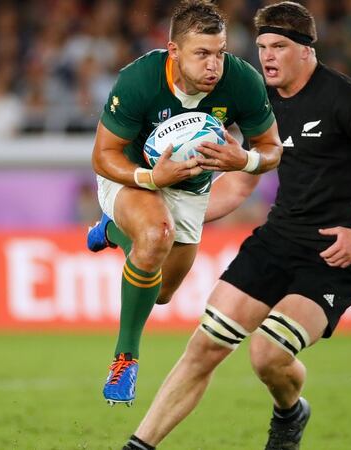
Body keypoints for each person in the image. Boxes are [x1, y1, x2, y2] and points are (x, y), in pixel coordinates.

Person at [120, 2, 351, 449]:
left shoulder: (346, 100)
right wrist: (173, 217)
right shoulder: (261, 101)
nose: (267, 57)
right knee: (205, 346)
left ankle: (290, 411)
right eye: (261, 46)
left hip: (330, 256)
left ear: (306, 51)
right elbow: (240, 186)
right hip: (276, 241)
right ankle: (138, 446)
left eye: (279, 46)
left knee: (268, 354)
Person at [87, 0, 282, 407]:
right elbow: (103, 155)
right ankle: (125, 360)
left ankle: (111, 233)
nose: (214, 65)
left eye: (220, 53)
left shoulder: (242, 81)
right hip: (133, 177)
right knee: (156, 233)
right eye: (202, 54)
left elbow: (271, 149)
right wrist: (150, 177)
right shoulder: (140, 79)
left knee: (161, 293)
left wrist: (243, 160)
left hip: (191, 189)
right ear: (174, 51)